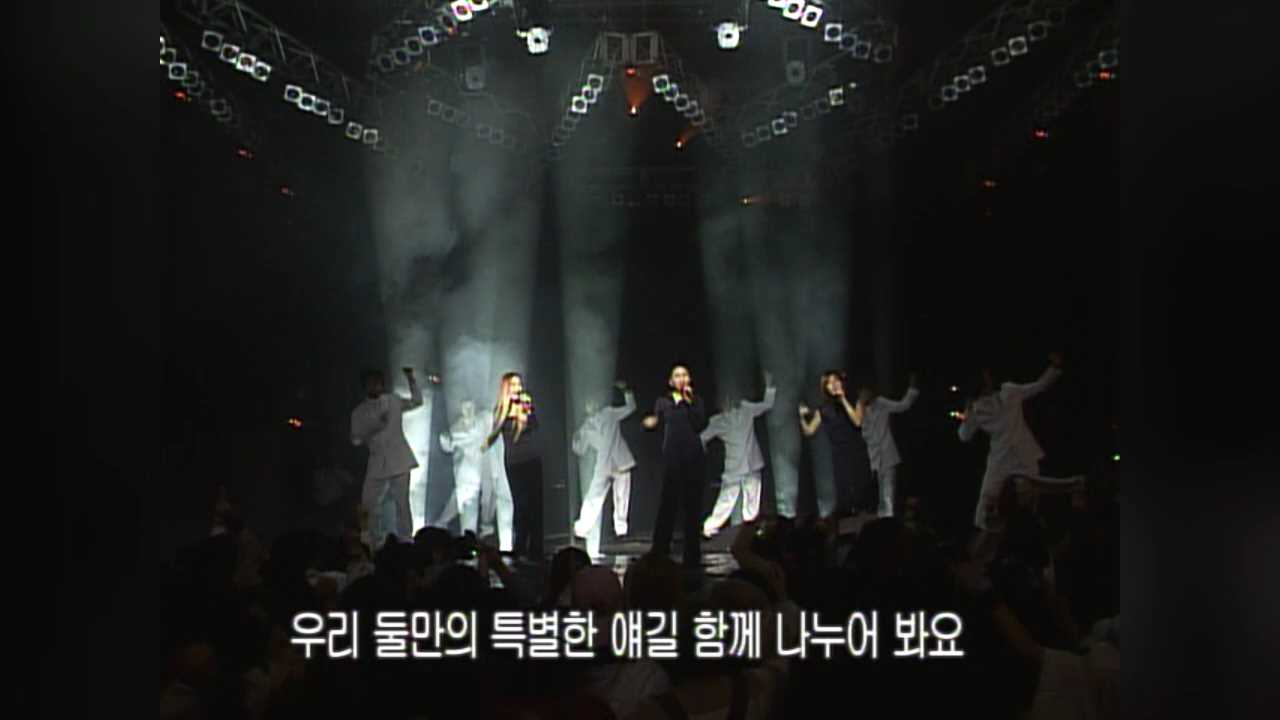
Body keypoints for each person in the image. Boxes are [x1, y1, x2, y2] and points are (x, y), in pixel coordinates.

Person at [957, 352, 1080, 530]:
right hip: (1000, 459)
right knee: (985, 505)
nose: (989, 378)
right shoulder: (977, 409)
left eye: (988, 375)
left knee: (1031, 497)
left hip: (1023, 453)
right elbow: (964, 436)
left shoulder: (1009, 391)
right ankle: (988, 537)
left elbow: (1039, 386)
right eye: (985, 377)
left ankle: (1072, 489)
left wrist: (1055, 367)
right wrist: (967, 411)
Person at [350, 367, 426, 548]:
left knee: (402, 502)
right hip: (377, 462)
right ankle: (371, 541)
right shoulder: (359, 412)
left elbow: (417, 401)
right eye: (371, 383)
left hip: (399, 459)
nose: (375, 386)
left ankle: (406, 540)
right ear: (365, 386)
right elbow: (355, 439)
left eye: (378, 382)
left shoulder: (393, 401)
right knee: (368, 503)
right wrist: (372, 427)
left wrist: (411, 380)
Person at [642, 365, 709, 567]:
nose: (681, 378)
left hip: (693, 456)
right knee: (668, 504)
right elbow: (658, 424)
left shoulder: (696, 401)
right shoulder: (663, 402)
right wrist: (652, 422)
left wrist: (689, 402)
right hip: (672, 457)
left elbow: (700, 425)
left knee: (692, 505)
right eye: (677, 376)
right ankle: (660, 549)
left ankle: (692, 552)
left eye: (684, 375)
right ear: (671, 381)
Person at [699, 371, 777, 538]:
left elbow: (767, 405)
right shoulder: (718, 420)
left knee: (752, 498)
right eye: (725, 399)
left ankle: (749, 529)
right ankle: (709, 527)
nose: (728, 401)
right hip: (734, 467)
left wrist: (770, 386)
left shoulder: (746, 409)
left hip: (752, 463)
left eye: (730, 397)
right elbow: (702, 437)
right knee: (727, 498)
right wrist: (701, 449)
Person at [572, 381, 638, 559]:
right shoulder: (585, 427)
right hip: (603, 464)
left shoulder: (609, 413)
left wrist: (627, 391)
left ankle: (621, 531)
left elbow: (630, 408)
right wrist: (576, 439)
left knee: (622, 497)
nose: (591, 405)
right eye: (588, 403)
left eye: (593, 402)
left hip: (621, 459)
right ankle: (582, 528)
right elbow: (580, 450)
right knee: (593, 496)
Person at [486, 372, 543, 562]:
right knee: (521, 503)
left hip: (532, 459)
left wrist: (526, 410)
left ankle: (536, 548)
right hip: (514, 462)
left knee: (535, 504)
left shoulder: (525, 406)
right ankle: (520, 546)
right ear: (506, 388)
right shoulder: (501, 410)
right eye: (514, 384)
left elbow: (534, 426)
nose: (518, 388)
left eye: (519, 384)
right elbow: (499, 433)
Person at [798, 370, 872, 517]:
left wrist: (843, 398)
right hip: (838, 452)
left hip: (856, 449)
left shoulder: (854, 400)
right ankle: (847, 513)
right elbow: (809, 431)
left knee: (860, 482)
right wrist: (801, 417)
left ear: (841, 382)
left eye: (835, 381)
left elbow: (857, 421)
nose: (833, 385)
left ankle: (864, 510)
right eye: (829, 383)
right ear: (825, 387)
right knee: (843, 484)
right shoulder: (823, 409)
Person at [850, 374, 920, 518]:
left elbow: (902, 406)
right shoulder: (859, 407)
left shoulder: (881, 402)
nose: (864, 394)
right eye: (861, 392)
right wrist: (861, 405)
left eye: (866, 391)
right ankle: (883, 520)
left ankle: (888, 521)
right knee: (880, 494)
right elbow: (858, 424)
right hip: (873, 457)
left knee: (888, 493)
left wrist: (912, 389)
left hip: (887, 453)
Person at [438, 399, 488, 537]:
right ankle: (441, 526)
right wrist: (446, 439)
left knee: (467, 509)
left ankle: (443, 525)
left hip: (477, 474)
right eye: (465, 408)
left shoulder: (480, 424)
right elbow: (448, 444)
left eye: (470, 407)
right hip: (465, 475)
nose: (468, 411)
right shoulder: (458, 427)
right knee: (461, 505)